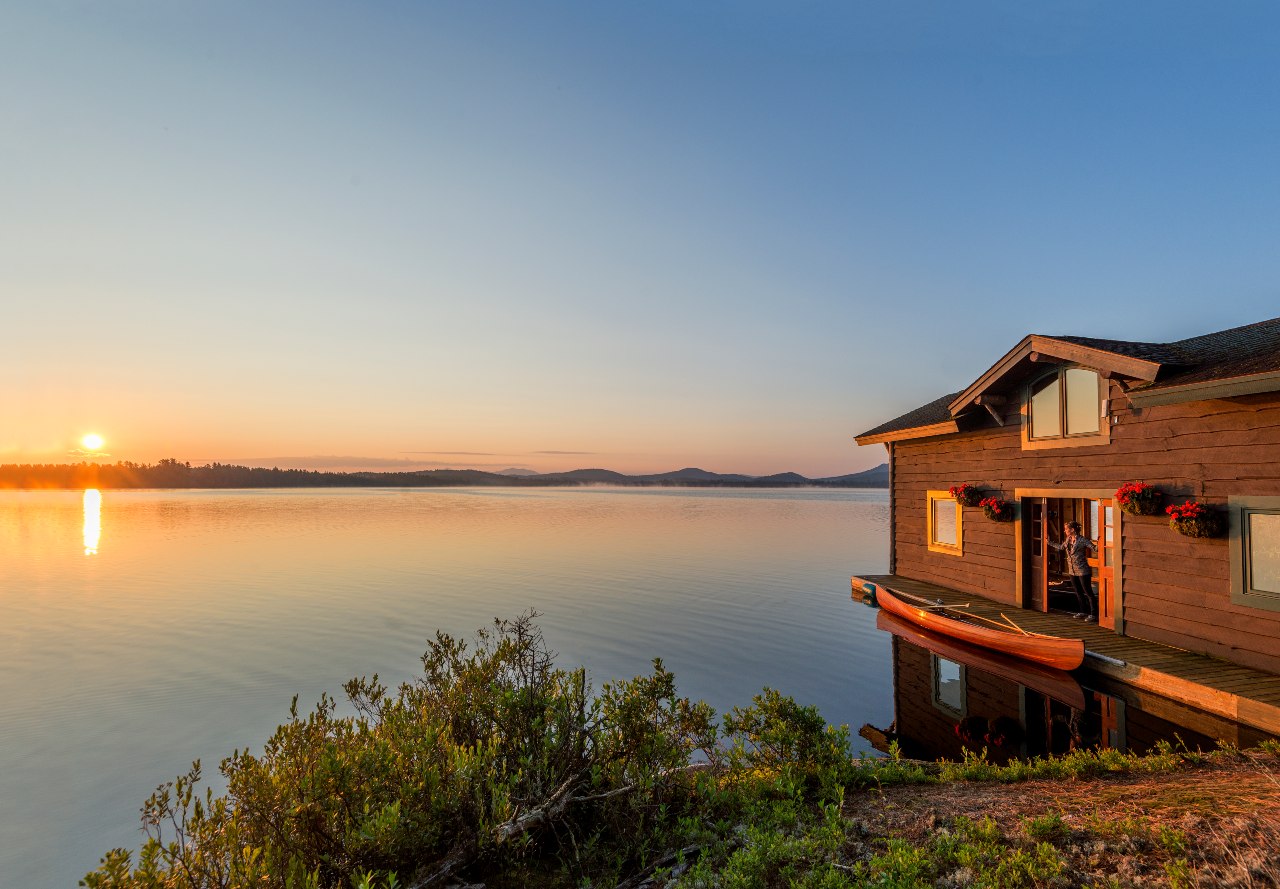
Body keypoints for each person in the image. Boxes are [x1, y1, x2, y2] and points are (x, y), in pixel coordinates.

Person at [1049, 520, 1097, 621]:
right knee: (1078, 592)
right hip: (1072, 571)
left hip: (1083, 571)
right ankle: (1083, 611)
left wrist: (1100, 542)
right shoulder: (1068, 539)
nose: (1065, 531)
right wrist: (1049, 543)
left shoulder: (1082, 540)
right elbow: (1061, 547)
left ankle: (1093, 614)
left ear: (1072, 530)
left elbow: (1094, 548)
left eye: (1066, 529)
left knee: (1088, 592)